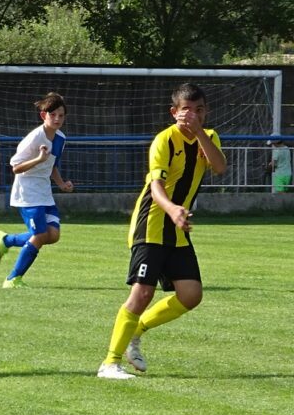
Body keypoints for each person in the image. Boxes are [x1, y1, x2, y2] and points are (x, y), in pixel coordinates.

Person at [97, 83, 227, 380]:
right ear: (174, 112)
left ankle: (136, 330)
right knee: (142, 292)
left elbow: (219, 166)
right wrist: (173, 209)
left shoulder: (209, 138)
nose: (193, 115)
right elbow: (156, 188)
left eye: (199, 110)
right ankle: (109, 363)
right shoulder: (163, 141)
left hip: (177, 226)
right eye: (186, 110)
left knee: (191, 295)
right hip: (153, 222)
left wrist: (201, 137)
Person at [0, 92, 74, 288]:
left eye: (61, 115)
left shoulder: (60, 138)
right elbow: (15, 168)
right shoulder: (34, 138)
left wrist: (61, 184)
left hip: (45, 193)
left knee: (52, 235)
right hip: (28, 193)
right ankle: (12, 279)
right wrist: (38, 159)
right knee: (39, 236)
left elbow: (52, 165)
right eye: (52, 115)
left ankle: (6, 240)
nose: (57, 119)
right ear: (43, 116)